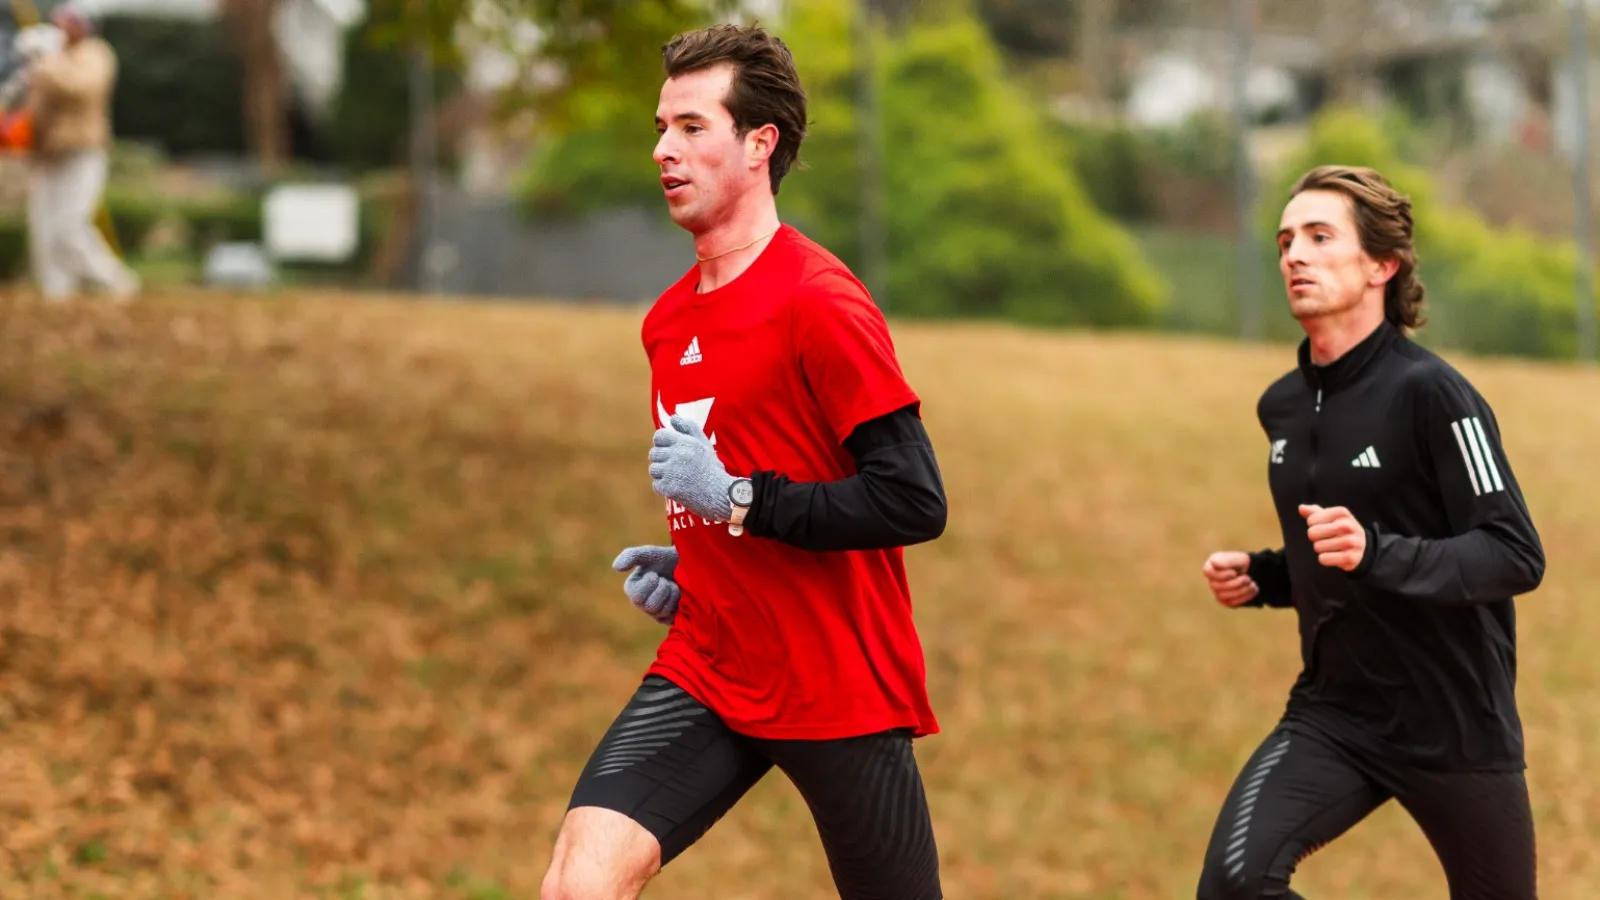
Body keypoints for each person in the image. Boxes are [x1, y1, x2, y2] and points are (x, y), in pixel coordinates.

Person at [539, 22, 948, 900]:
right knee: (578, 883)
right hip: (711, 665)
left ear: (760, 144)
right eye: (661, 127)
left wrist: (735, 502)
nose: (663, 150)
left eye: (692, 127)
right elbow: (745, 483)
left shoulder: (821, 301)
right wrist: (699, 564)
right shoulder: (665, 321)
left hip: (836, 682)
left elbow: (912, 499)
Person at [1195, 165, 1545, 900]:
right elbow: (1334, 551)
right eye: (1286, 239)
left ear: (1381, 265)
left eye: (1321, 237)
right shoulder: (1283, 407)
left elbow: (1513, 552)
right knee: (1235, 882)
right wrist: (1267, 576)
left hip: (1455, 724)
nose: (1294, 254)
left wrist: (1379, 552)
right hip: (1336, 714)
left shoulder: (1436, 395)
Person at [22, 4, 139, 302]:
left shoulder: (96, 54)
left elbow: (79, 89)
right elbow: (31, 103)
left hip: (82, 151)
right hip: (45, 152)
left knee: (69, 226)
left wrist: (47, 60)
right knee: (44, 229)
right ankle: (56, 294)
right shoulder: (48, 59)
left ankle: (114, 282)